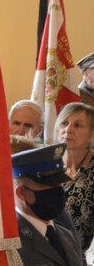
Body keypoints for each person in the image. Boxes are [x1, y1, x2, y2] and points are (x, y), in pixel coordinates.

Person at [55, 102, 94, 249]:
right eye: (64, 123)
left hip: (82, 257)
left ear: (91, 135)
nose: (68, 129)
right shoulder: (45, 163)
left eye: (78, 125)